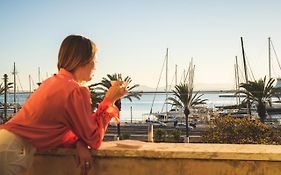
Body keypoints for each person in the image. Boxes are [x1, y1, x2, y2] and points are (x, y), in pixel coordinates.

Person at [0, 34, 128, 175]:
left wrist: (80, 142)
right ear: (82, 61)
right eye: (95, 61)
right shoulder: (76, 90)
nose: (96, 67)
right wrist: (109, 100)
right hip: (11, 153)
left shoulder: (52, 82)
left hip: (7, 145)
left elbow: (67, 126)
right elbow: (94, 139)